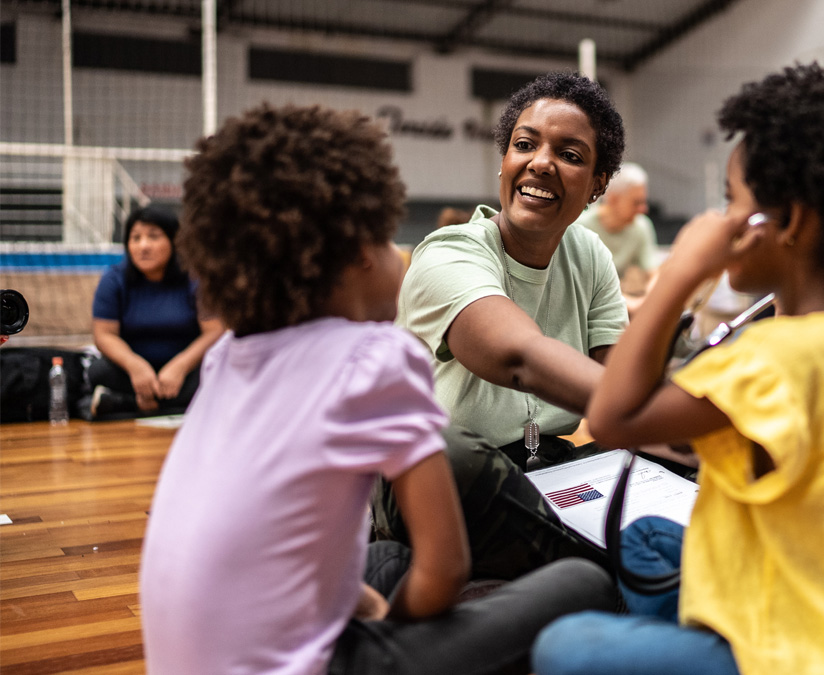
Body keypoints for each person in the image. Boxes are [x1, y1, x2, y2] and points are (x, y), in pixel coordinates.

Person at [139, 103, 616, 675]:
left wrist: (372, 608)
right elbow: (441, 575)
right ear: (357, 255)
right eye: (388, 235)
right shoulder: (375, 358)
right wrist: (394, 630)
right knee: (584, 583)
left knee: (386, 559)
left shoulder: (226, 358)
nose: (401, 254)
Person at [533, 60, 824, 675]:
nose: (720, 219)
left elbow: (612, 416)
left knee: (563, 649)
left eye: (732, 202)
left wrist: (679, 272)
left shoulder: (774, 360)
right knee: (648, 538)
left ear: (786, 222)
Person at [376, 71, 630, 580]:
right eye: (524, 144)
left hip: (547, 464)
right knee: (448, 449)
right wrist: (654, 408)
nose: (540, 162)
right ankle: (590, 569)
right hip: (441, 478)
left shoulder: (590, 255)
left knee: (650, 459)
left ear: (598, 184)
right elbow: (519, 357)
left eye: (571, 155)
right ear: (504, 162)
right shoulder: (448, 253)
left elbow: (617, 382)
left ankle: (579, 563)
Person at [85, 204, 223, 419]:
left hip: (185, 372)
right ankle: (172, 405)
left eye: (154, 237)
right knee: (98, 371)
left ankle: (128, 404)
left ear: (174, 241)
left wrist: (180, 366)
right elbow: (104, 335)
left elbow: (214, 331)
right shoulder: (114, 279)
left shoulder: (194, 278)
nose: (143, 246)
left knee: (218, 372)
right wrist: (135, 366)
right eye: (136, 238)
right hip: (133, 374)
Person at [574, 162, 659, 311]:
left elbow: (653, 273)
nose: (644, 209)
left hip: (617, 300)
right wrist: (633, 305)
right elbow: (582, 287)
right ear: (613, 199)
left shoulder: (641, 226)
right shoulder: (580, 227)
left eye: (643, 201)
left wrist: (650, 300)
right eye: (636, 203)